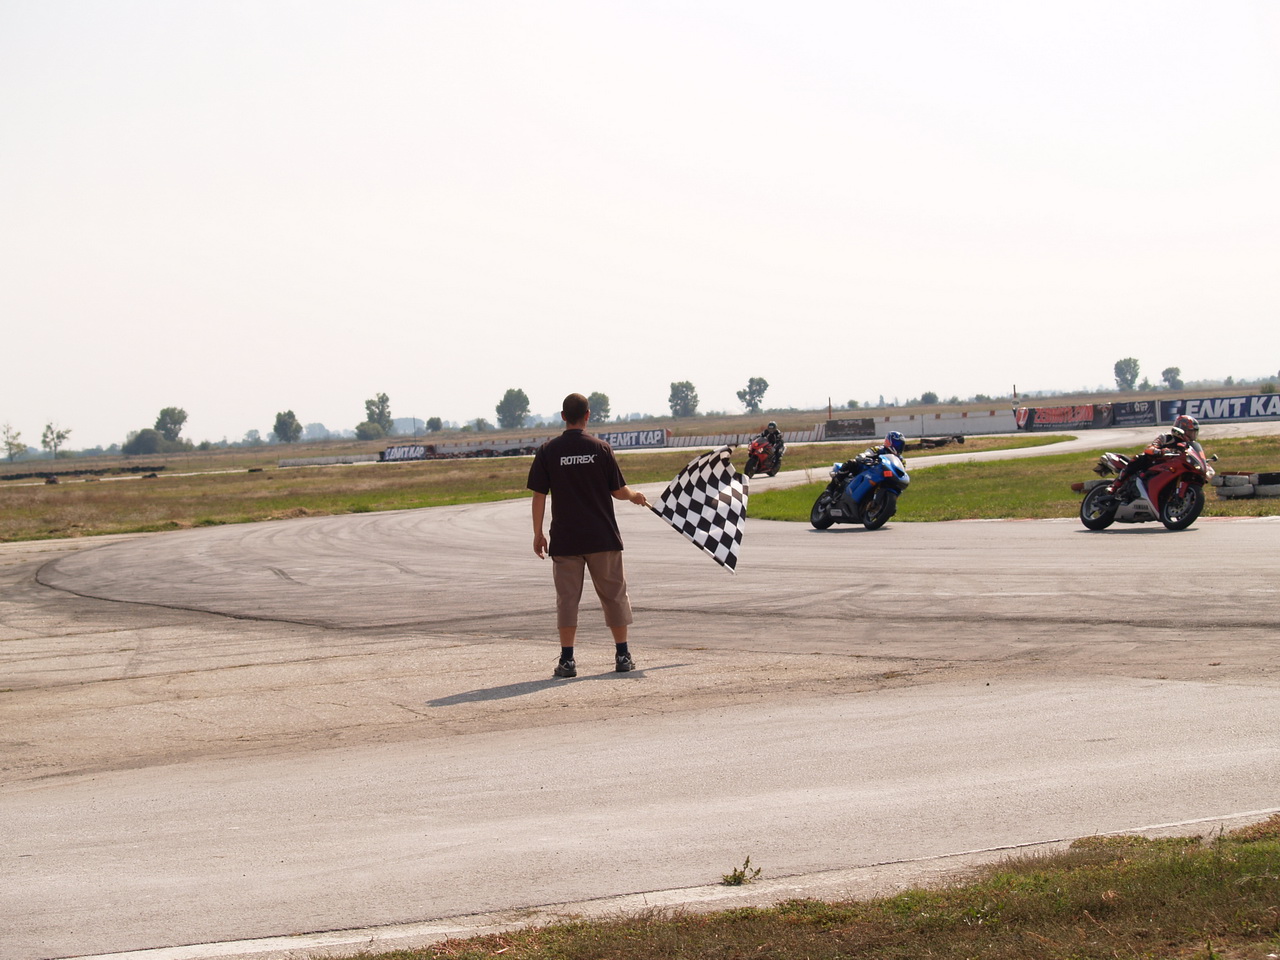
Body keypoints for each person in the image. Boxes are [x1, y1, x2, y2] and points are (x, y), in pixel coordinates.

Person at [527, 393, 650, 678]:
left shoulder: (547, 451)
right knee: (614, 595)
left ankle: (568, 660)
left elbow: (539, 495)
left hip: (566, 539)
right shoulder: (601, 448)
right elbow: (618, 491)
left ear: (562, 416)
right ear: (587, 415)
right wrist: (635, 497)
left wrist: (538, 533)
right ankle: (622, 654)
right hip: (602, 537)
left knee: (567, 599)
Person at [1107, 415, 1200, 500]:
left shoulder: (1187, 446)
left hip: (1171, 468)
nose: (1192, 435)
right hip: (1154, 463)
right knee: (1140, 458)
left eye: (1194, 433)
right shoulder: (1167, 438)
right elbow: (1151, 447)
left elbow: (1195, 455)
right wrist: (1158, 451)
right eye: (1190, 432)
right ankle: (1115, 485)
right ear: (1181, 429)